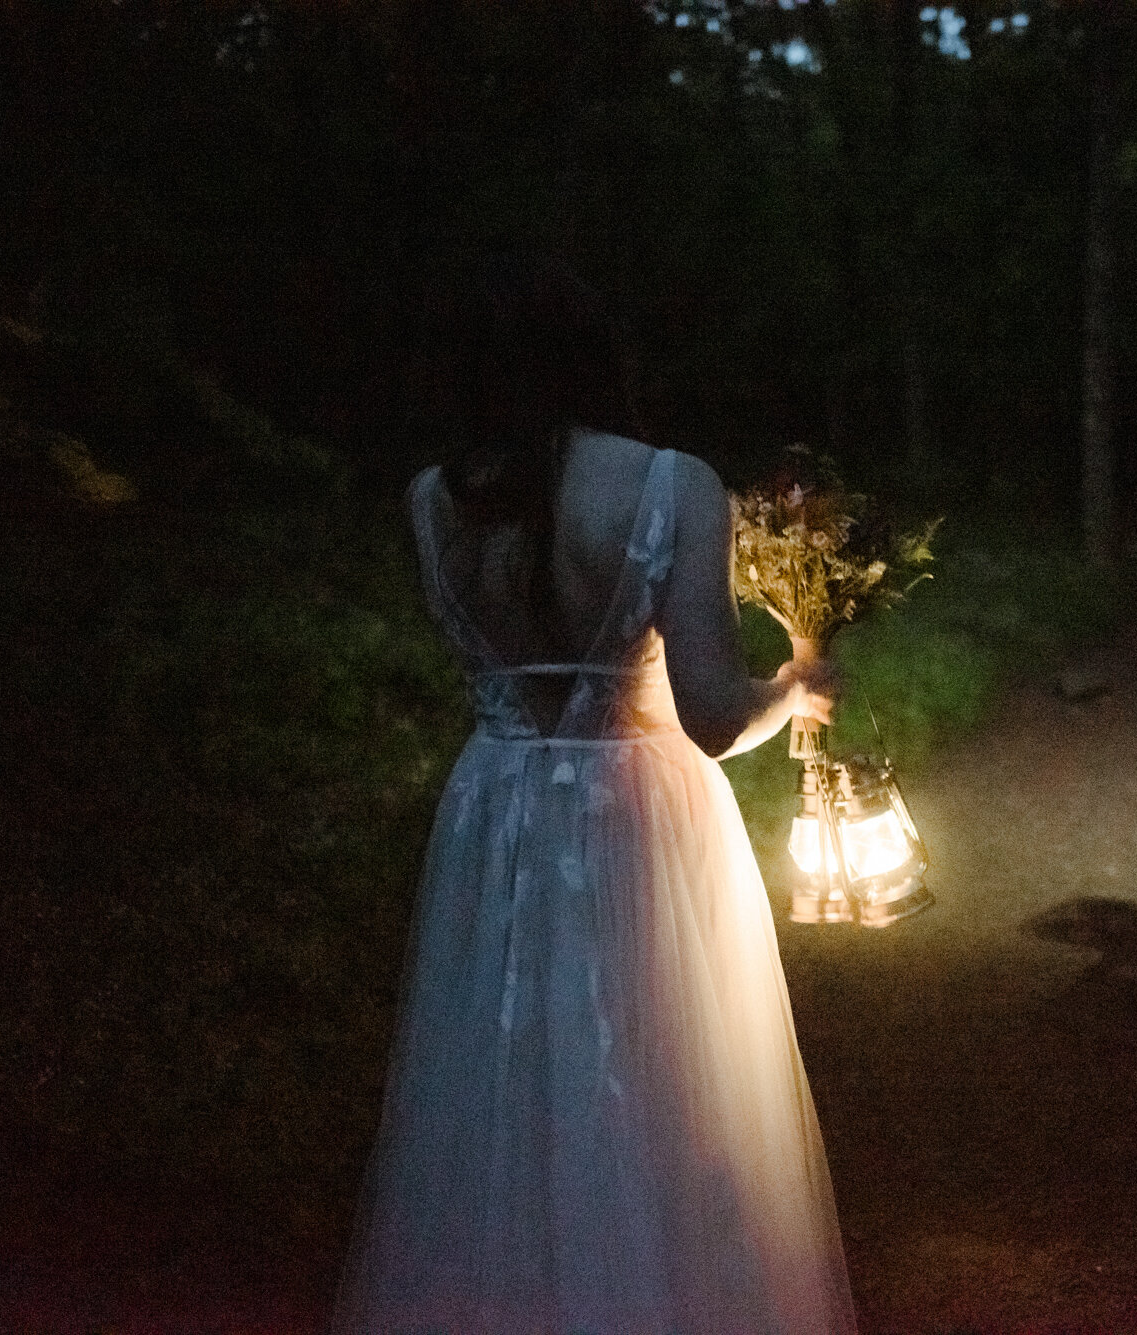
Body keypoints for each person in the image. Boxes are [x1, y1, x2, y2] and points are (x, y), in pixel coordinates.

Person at [333, 253, 857, 1333]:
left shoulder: (432, 499)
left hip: (495, 815)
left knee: (500, 1092)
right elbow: (711, 716)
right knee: (660, 1093)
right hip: (632, 820)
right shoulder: (669, 484)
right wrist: (794, 683)